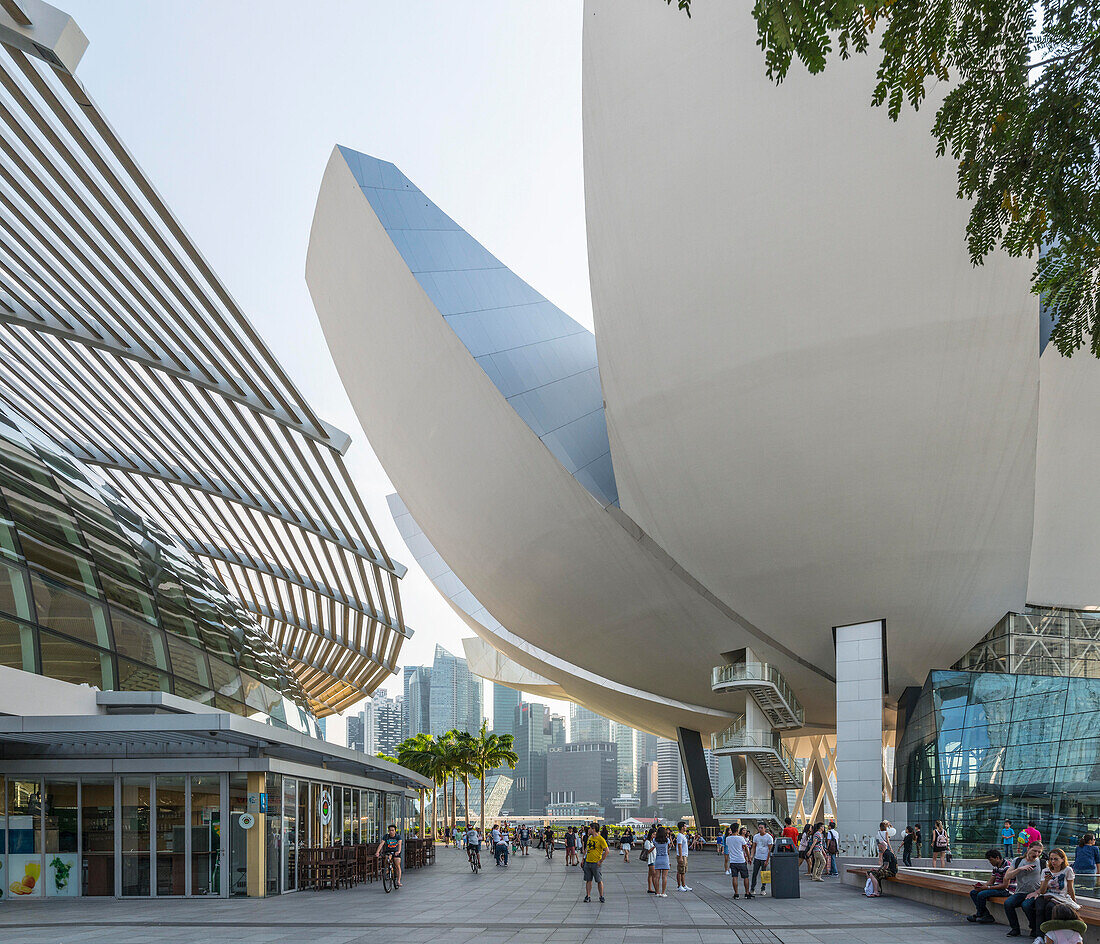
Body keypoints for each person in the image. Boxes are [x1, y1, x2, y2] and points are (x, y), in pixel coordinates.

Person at [1035, 848, 1079, 941]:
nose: (1053, 861)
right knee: (1039, 908)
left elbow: (1070, 888)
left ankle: (1049, 935)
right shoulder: (1045, 871)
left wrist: (1073, 900)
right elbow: (1042, 891)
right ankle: (1039, 936)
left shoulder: (1067, 870)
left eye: (1056, 859)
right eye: (1051, 859)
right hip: (1046, 895)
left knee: (1050, 908)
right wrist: (1046, 881)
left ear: (1062, 859)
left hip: (1059, 897)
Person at [1004, 841, 1045, 938]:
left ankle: (1034, 928)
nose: (1036, 854)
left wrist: (1037, 892)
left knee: (1026, 905)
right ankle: (1015, 929)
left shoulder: (1042, 863)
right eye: (1034, 851)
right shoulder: (1017, 860)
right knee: (1008, 903)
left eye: (1039, 852)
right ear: (1028, 849)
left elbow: (1046, 882)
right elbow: (1007, 877)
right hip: (1020, 892)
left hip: (1034, 893)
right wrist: (1020, 869)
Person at [967, 849, 1013, 924]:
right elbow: (991, 881)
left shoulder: (1007, 867)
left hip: (1007, 890)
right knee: (974, 892)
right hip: (998, 887)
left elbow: (1005, 886)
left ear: (997, 858)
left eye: (991, 860)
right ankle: (985, 915)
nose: (990, 862)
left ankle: (980, 914)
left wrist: (987, 888)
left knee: (982, 894)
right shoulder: (996, 867)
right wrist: (981, 886)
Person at [583, 823, 609, 903]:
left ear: (593, 829)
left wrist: (600, 861)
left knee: (599, 880)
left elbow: (607, 850)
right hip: (588, 861)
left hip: (596, 863)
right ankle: (588, 895)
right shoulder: (590, 837)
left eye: (590, 828)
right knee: (588, 880)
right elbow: (587, 849)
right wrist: (583, 859)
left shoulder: (601, 839)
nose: (589, 830)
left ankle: (601, 896)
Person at [725, 821, 751, 899]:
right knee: (745, 877)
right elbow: (746, 848)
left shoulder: (728, 839)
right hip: (741, 860)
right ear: (737, 830)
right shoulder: (741, 838)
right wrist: (749, 858)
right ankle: (746, 893)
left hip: (733, 861)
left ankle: (736, 894)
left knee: (735, 877)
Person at [749, 821, 774, 898]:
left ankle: (763, 889)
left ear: (765, 829)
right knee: (754, 873)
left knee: (764, 874)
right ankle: (752, 888)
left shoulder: (769, 837)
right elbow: (753, 847)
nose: (760, 829)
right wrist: (751, 856)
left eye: (761, 828)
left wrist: (767, 860)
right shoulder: (756, 836)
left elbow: (770, 849)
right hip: (757, 857)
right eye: (759, 827)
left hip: (764, 857)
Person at [375, 823, 403, 888]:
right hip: (388, 852)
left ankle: (398, 881)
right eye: (390, 830)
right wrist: (377, 852)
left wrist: (398, 851)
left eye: (392, 830)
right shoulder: (386, 836)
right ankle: (388, 869)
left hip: (396, 852)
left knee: (397, 865)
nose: (391, 831)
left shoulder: (398, 836)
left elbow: (399, 844)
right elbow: (381, 844)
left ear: (395, 831)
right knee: (387, 859)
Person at [653, 825, 671, 897]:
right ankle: (663, 892)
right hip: (665, 858)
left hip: (658, 858)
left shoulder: (655, 840)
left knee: (657, 877)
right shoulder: (667, 840)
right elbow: (669, 846)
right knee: (664, 877)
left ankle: (657, 892)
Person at [675, 820, 692, 892]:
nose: (686, 827)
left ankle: (684, 885)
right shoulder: (679, 836)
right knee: (680, 871)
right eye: (685, 826)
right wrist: (681, 857)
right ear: (682, 827)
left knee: (683, 871)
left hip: (684, 855)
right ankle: (679, 886)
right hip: (681, 856)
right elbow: (679, 846)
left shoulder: (683, 835)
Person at [644, 827, 658, 894]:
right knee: (654, 875)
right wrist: (653, 847)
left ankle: (650, 888)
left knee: (650, 875)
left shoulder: (652, 841)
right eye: (654, 834)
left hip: (653, 859)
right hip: (651, 860)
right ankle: (656, 889)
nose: (654, 836)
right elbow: (647, 851)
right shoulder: (647, 842)